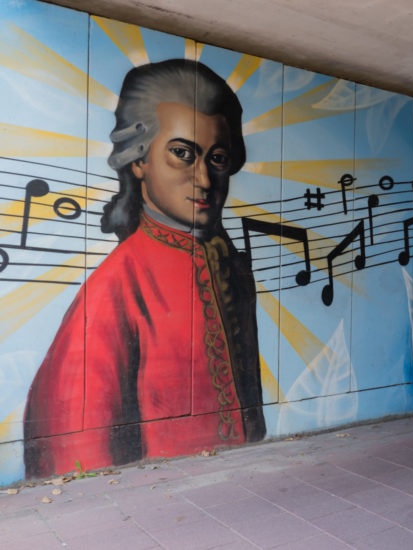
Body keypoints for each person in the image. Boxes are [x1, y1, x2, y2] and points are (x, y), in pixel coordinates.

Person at [23, 59, 265, 478]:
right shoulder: (116, 287)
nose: (205, 179)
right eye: (183, 154)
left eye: (218, 158)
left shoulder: (232, 269)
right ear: (139, 160)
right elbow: (75, 451)